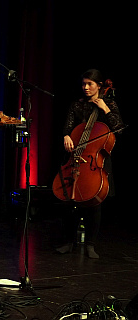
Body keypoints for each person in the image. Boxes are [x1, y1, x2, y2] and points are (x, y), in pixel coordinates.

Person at [56, 69, 124, 259]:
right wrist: (66, 136)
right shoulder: (77, 105)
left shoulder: (108, 103)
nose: (85, 88)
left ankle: (91, 244)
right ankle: (69, 242)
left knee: (94, 203)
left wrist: (105, 108)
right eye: (84, 84)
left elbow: (118, 128)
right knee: (69, 201)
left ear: (100, 86)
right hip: (76, 155)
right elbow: (68, 127)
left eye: (90, 84)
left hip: (97, 160)